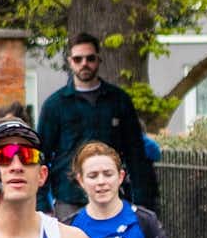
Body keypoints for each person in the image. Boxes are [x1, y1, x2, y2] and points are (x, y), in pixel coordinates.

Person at [34, 33, 157, 212]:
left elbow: (135, 153)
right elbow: (41, 155)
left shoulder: (119, 100)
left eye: (90, 58)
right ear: (70, 62)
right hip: (70, 199)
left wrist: (142, 203)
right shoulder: (55, 105)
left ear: (99, 60)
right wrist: (42, 205)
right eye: (78, 59)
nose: (84, 63)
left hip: (112, 196)